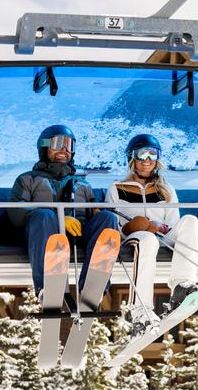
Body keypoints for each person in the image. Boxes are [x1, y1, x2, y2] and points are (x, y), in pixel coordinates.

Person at [8, 124, 118, 298]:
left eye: (69, 145)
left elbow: (95, 217)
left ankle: (94, 283)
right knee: (44, 215)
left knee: (108, 219)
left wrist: (98, 215)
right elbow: (16, 212)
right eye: (58, 143)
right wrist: (60, 219)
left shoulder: (82, 184)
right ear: (44, 147)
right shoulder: (27, 179)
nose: (64, 150)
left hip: (77, 234)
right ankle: (48, 287)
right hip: (43, 235)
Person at [105, 133, 198, 328]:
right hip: (134, 237)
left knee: (190, 220)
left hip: (161, 236)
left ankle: (182, 284)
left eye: (153, 154)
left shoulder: (165, 189)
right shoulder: (118, 188)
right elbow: (113, 224)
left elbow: (173, 222)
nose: (147, 160)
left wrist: (158, 227)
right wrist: (138, 226)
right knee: (147, 239)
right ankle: (140, 308)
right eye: (142, 155)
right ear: (132, 158)